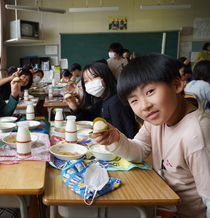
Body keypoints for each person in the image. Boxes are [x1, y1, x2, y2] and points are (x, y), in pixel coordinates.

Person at [93, 53, 210, 217]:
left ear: (176, 84)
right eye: (134, 100)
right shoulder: (158, 118)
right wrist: (116, 139)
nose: (145, 106)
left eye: (150, 91)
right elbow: (139, 151)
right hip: (161, 202)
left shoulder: (197, 135)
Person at [65, 62, 138, 139]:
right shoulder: (103, 100)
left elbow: (124, 136)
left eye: (94, 77)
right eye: (86, 81)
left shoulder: (116, 102)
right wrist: (74, 107)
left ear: (106, 76)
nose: (90, 83)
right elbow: (88, 118)